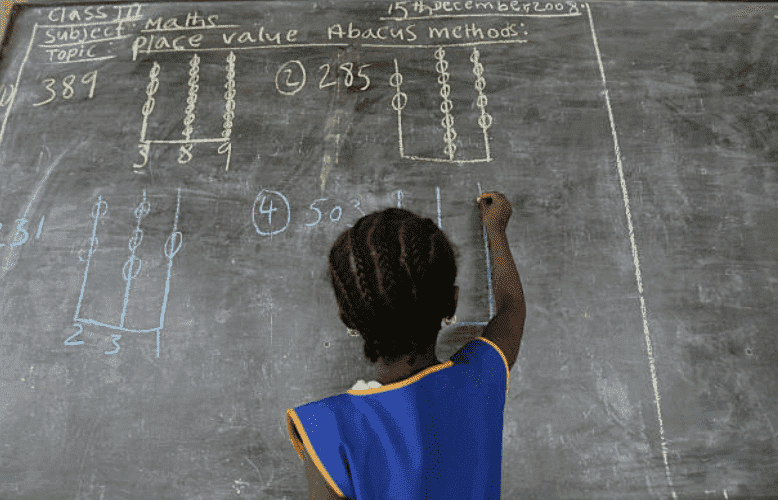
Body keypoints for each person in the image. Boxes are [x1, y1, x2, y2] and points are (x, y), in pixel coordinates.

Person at [286, 191, 526, 500]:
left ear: (347, 318)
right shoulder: (479, 378)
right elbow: (511, 309)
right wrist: (496, 230)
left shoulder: (327, 429)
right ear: (451, 303)